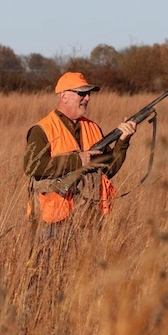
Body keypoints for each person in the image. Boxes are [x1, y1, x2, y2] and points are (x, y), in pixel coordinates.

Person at [24, 71, 137, 226]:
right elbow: (32, 165)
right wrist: (77, 160)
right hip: (51, 220)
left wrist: (122, 142)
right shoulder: (42, 129)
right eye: (81, 93)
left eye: (88, 93)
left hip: (88, 219)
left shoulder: (93, 127)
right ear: (64, 96)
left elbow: (108, 170)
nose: (87, 98)